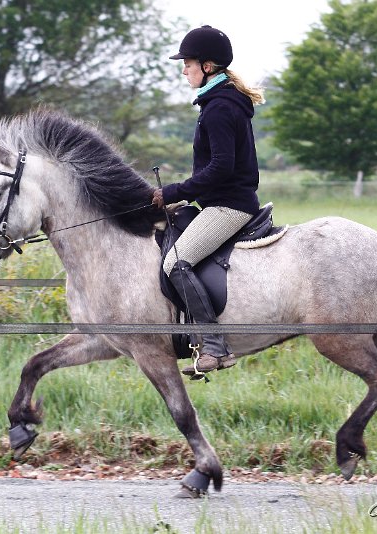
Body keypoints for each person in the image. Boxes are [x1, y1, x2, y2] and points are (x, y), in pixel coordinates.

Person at [152, 25, 266, 376]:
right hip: (219, 200)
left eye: (187, 63)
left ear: (208, 65)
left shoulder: (218, 108)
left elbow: (220, 168)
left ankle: (214, 346)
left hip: (229, 206)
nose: (184, 69)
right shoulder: (222, 101)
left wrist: (173, 192)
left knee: (176, 263)